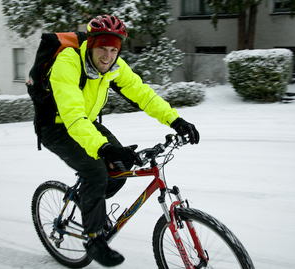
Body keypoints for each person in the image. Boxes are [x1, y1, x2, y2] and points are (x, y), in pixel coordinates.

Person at [38, 15, 200, 267]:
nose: (108, 55)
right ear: (90, 44)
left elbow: (143, 95)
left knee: (121, 169)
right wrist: (104, 148)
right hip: (55, 126)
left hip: (86, 124)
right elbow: (72, 114)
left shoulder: (115, 66)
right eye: (102, 47)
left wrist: (175, 120)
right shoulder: (68, 61)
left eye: (114, 49)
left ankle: (88, 203)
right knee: (94, 171)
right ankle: (94, 240)